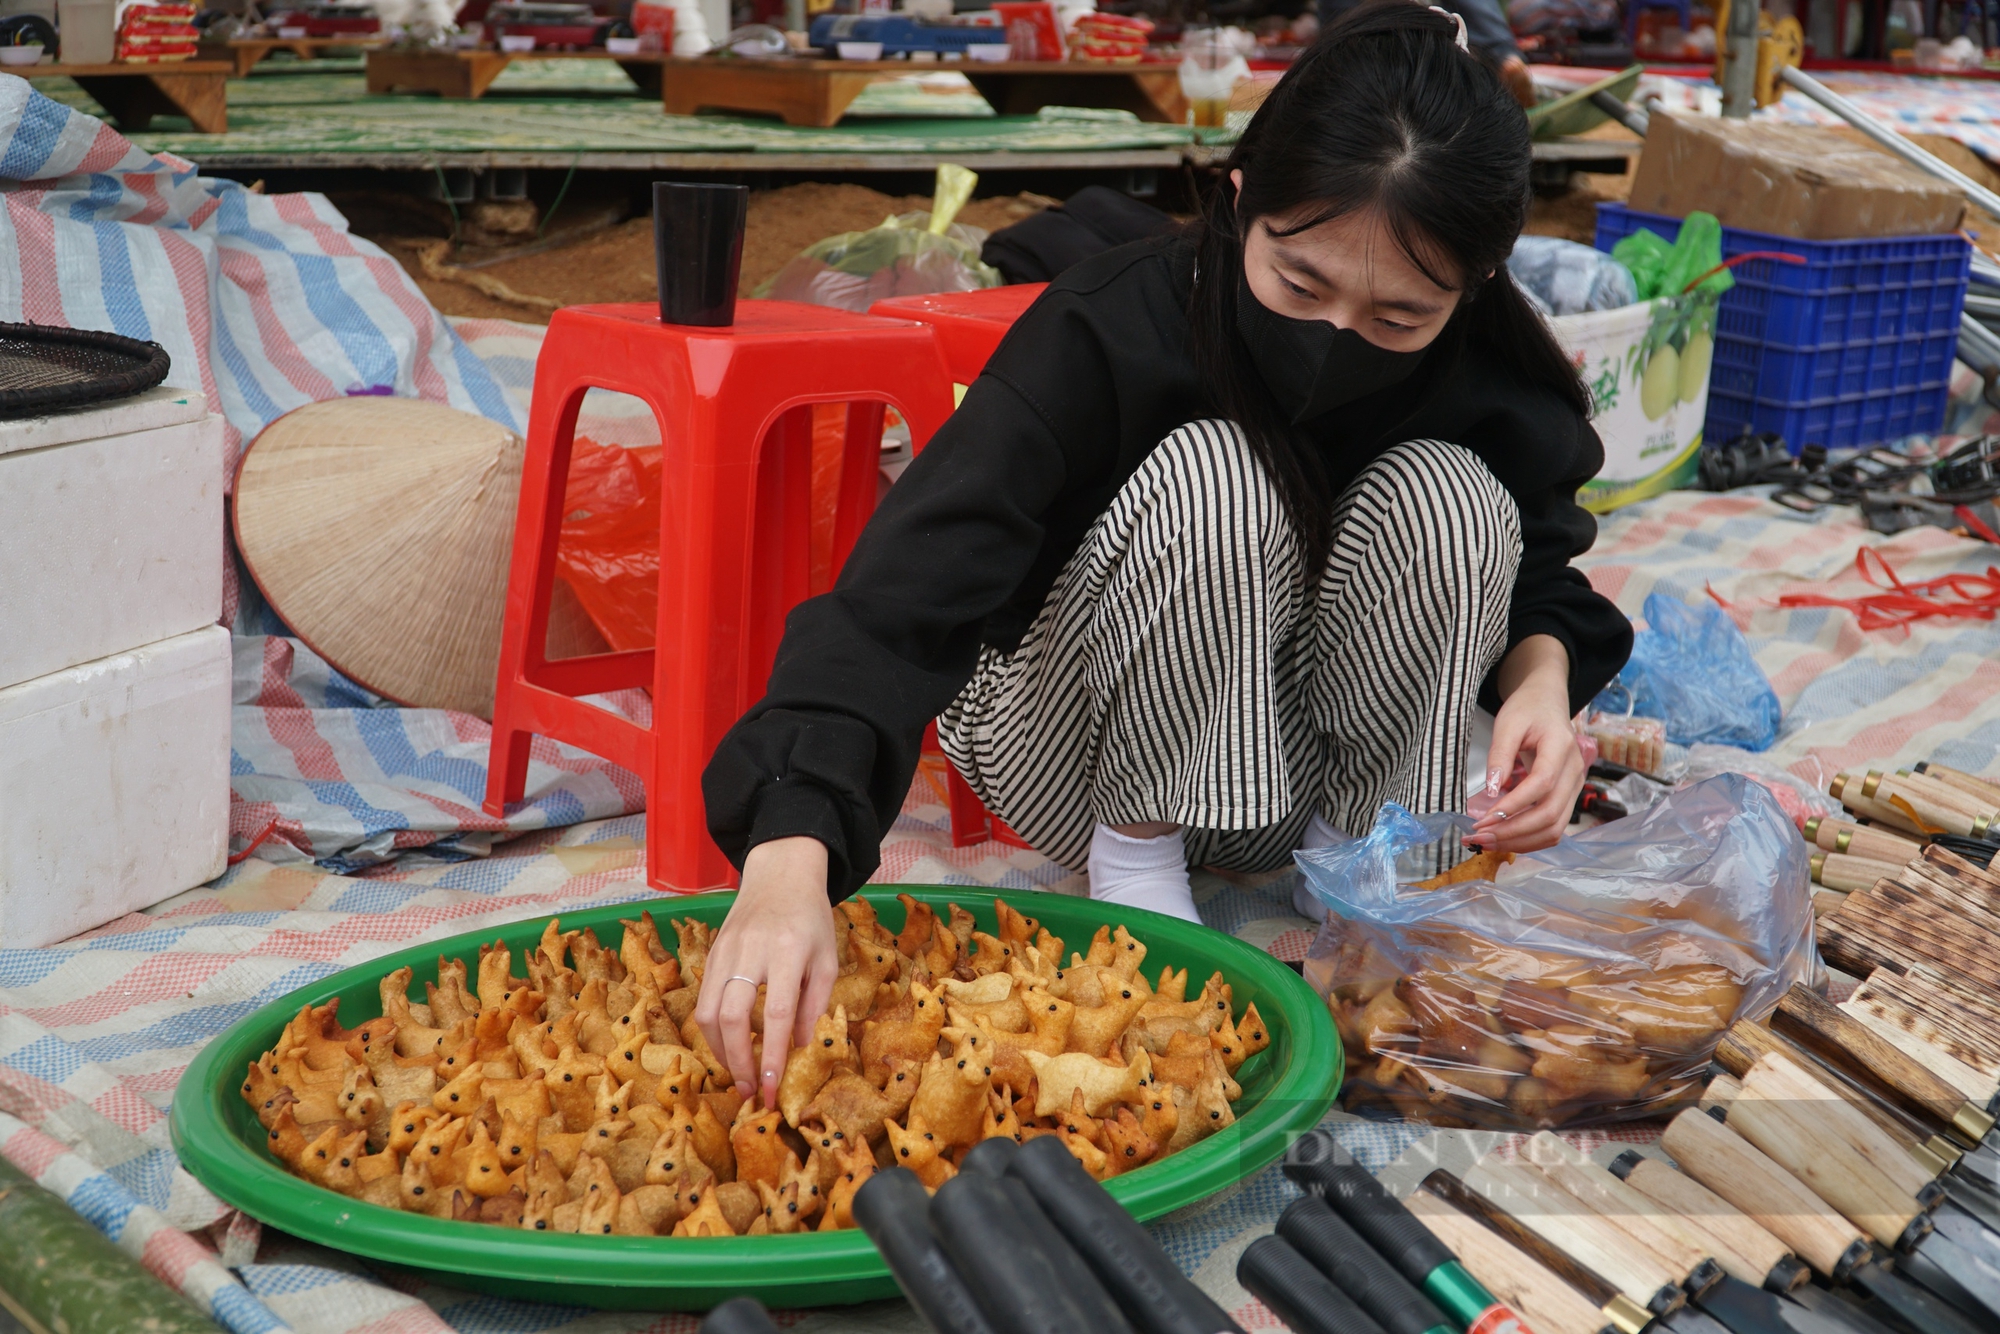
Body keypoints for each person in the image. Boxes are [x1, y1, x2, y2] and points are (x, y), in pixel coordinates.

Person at [695, 0, 1632, 1110]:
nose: (1336, 335)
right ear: (1240, 201)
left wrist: (1539, 689)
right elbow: (909, 587)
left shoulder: (1485, 363)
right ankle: (1138, 876)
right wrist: (789, 847)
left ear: (1469, 288)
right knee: (1219, 475)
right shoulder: (1117, 321)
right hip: (1078, 751)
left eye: (1394, 319)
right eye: (1297, 283)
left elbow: (1535, 568)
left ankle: (1350, 881)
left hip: (1304, 769)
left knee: (1454, 499)